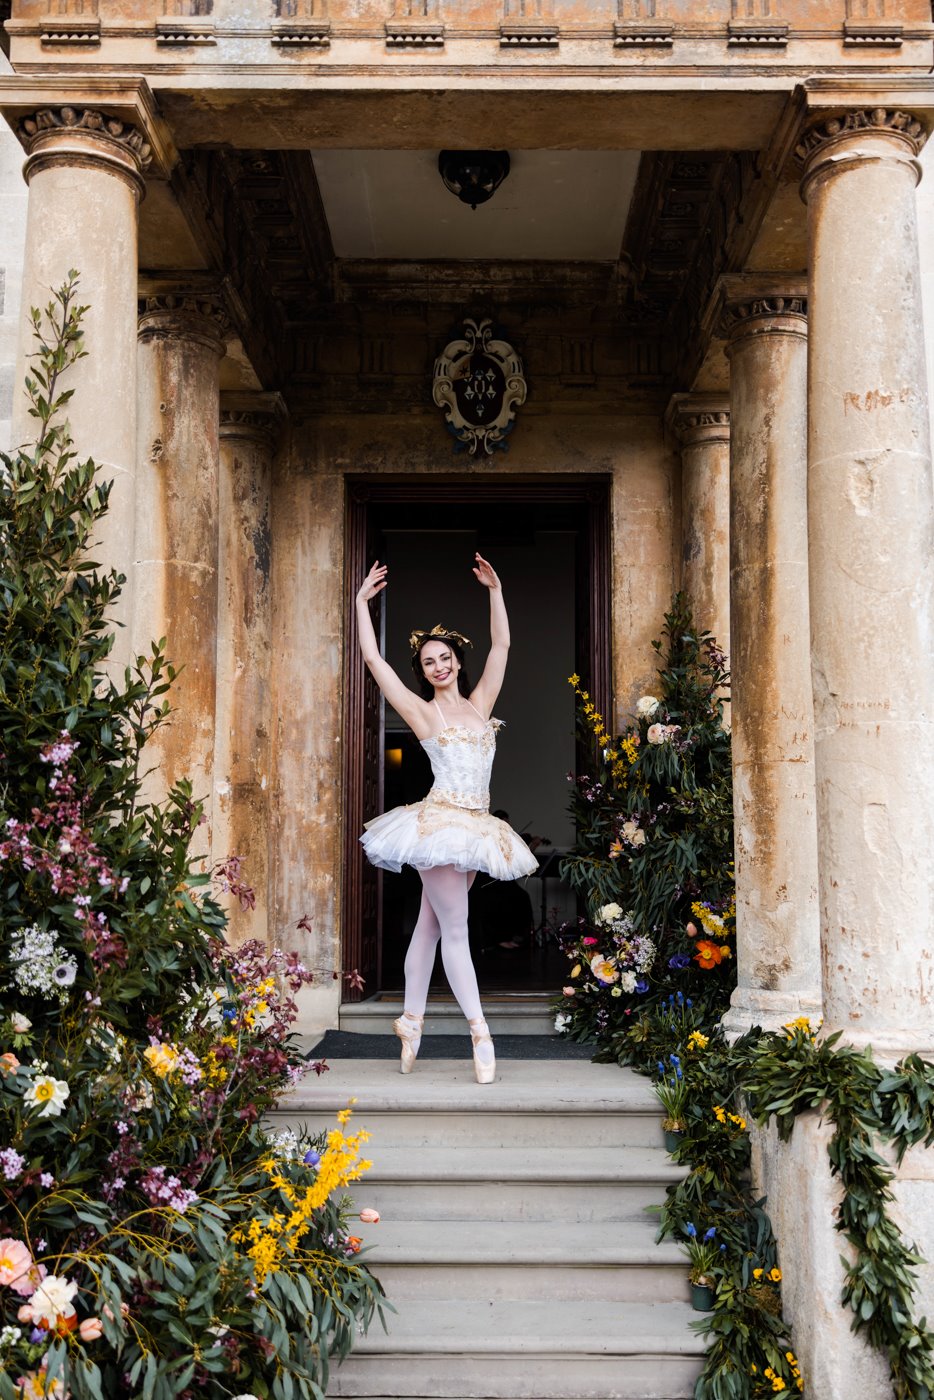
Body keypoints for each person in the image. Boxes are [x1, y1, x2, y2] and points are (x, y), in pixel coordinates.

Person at [355, 553, 537, 1084]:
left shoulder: (480, 704)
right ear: (425, 672)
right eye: (429, 662)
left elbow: (502, 646)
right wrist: (361, 604)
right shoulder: (422, 711)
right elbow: (374, 662)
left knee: (430, 927)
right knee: (454, 929)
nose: (438, 666)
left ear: (457, 660)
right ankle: (480, 1032)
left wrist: (496, 592)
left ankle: (411, 1021)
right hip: (439, 827)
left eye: (445, 658)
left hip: (476, 827)